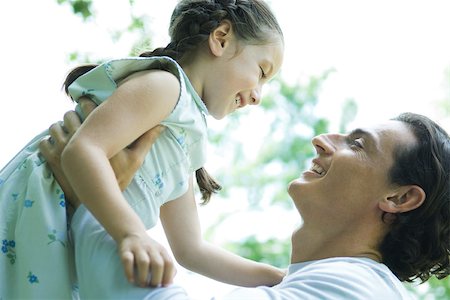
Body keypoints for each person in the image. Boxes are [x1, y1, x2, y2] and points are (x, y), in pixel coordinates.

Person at [0, 0, 284, 299]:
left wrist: (278, 277)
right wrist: (132, 234)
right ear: (221, 38)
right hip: (34, 212)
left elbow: (191, 250)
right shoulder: (165, 85)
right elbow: (82, 151)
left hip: (60, 235)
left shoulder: (185, 137)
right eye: (262, 72)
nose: (257, 97)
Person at [44, 110, 450, 299]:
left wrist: (96, 196)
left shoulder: (355, 291)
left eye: (357, 144)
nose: (324, 139)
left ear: (399, 198)